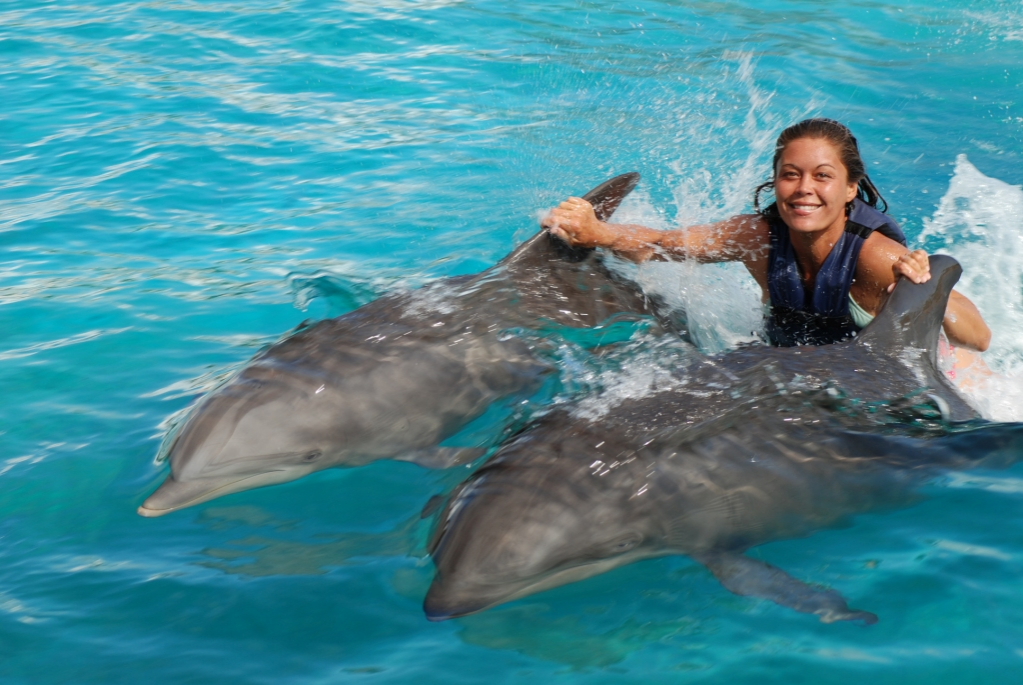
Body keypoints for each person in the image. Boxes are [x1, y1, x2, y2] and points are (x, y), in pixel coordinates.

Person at [541, 118, 991, 365]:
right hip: (798, 364)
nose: (803, 189)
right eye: (790, 175)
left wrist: (925, 292)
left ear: (851, 188)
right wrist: (595, 232)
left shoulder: (875, 257)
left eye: (823, 176)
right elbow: (662, 243)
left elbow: (979, 337)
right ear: (775, 182)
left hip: (890, 372)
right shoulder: (756, 235)